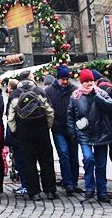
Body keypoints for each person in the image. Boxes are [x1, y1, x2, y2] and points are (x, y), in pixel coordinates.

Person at [7, 70, 57, 201]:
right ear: (30, 78)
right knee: (46, 160)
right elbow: (50, 111)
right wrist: (47, 126)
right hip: (41, 129)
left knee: (28, 162)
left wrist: (15, 131)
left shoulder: (14, 94)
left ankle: (34, 192)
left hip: (24, 131)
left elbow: (10, 117)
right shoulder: (40, 91)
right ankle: (50, 190)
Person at [66, 69, 112, 202]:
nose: (89, 83)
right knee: (88, 159)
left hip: (102, 133)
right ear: (82, 82)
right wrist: (73, 132)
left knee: (101, 164)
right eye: (86, 81)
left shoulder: (101, 93)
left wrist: (96, 96)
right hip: (84, 133)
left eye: (91, 81)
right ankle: (90, 188)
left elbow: (109, 106)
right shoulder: (75, 96)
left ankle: (102, 192)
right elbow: (70, 116)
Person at [45, 65, 80, 195]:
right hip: (58, 128)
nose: (65, 82)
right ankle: (68, 183)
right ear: (58, 79)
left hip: (72, 128)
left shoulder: (75, 90)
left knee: (74, 156)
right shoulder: (49, 91)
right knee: (64, 154)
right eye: (62, 79)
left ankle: (74, 182)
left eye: (67, 79)